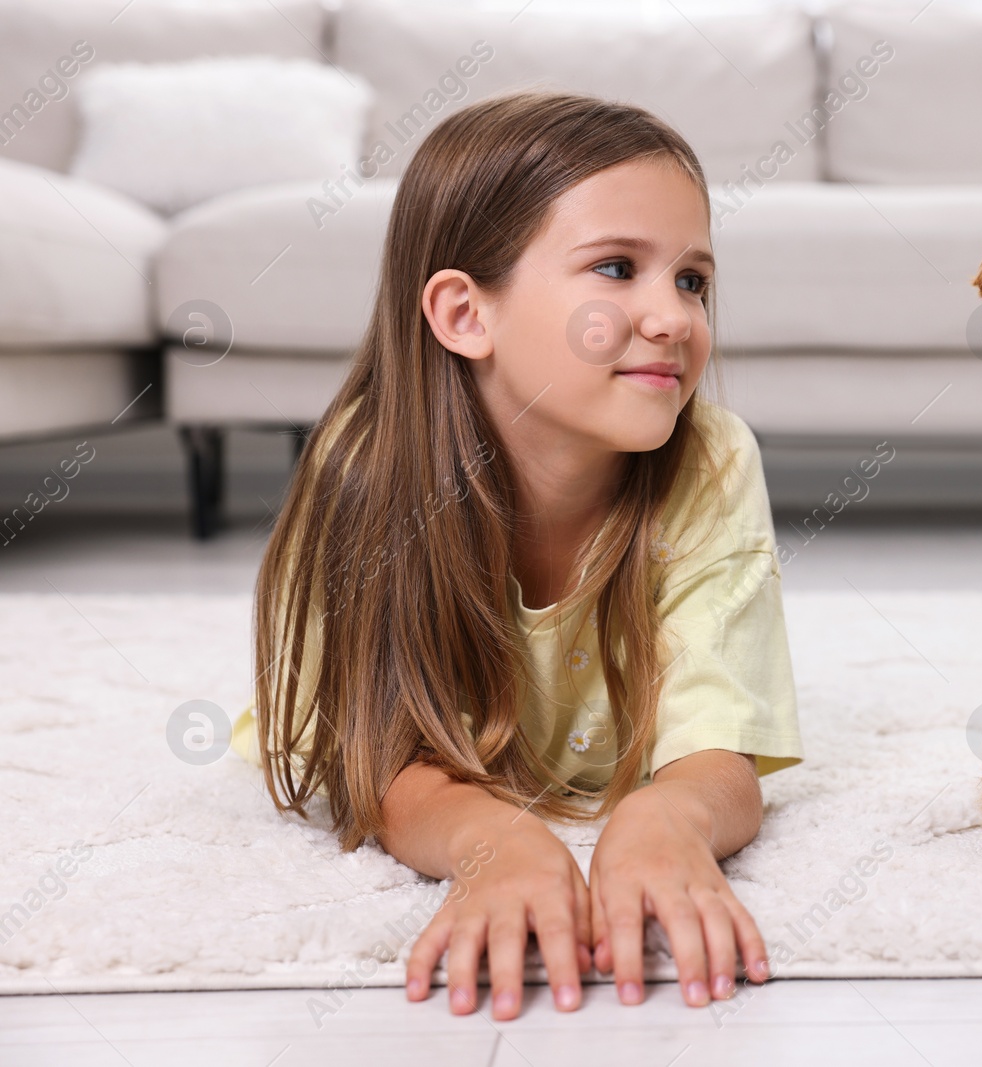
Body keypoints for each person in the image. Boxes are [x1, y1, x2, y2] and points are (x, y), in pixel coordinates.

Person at [231, 89, 803, 1020]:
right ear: (465, 315)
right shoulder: (366, 472)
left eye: (693, 280)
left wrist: (666, 818)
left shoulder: (714, 457)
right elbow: (376, 767)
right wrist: (490, 838)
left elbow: (717, 746)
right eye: (617, 268)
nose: (673, 317)